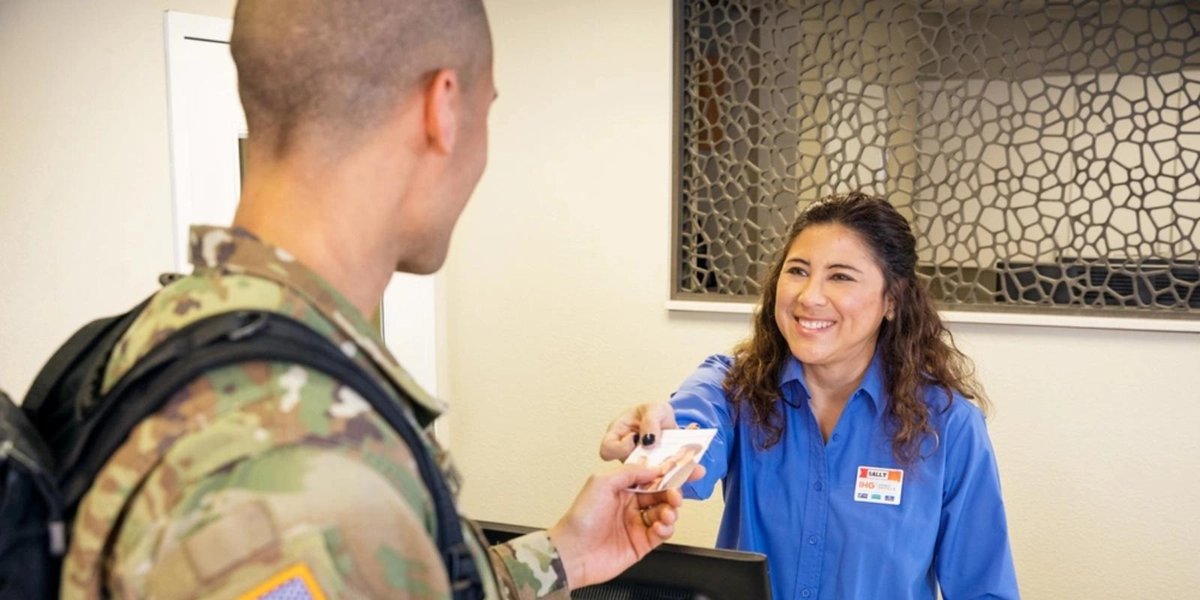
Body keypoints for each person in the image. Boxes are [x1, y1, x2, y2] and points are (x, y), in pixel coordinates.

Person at [59, 1, 696, 598]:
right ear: (443, 108)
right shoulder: (304, 465)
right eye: (486, 111)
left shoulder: (168, 340)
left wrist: (564, 555)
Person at [600, 192, 1019, 599]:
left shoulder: (949, 424)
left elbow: (984, 590)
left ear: (891, 300)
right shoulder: (733, 388)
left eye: (840, 276)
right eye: (798, 271)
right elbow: (688, 438)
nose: (809, 296)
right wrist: (654, 443)